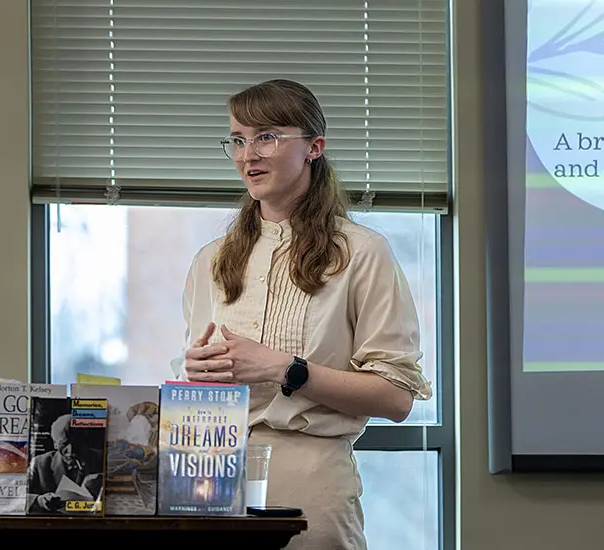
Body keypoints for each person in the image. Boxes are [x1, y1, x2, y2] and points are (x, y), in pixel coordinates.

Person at [179, 78, 432, 549]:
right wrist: (197, 373)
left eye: (266, 137)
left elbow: (396, 398)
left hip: (311, 482)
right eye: (237, 139)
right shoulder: (210, 261)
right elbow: (197, 389)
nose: (247, 154)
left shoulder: (362, 253)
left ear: (314, 147)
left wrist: (283, 368)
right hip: (211, 481)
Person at [26, 413, 104, 514]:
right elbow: (20, 497)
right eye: (64, 444)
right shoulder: (39, 463)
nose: (71, 450)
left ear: (85, 441)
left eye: (77, 442)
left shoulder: (102, 459)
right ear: (55, 444)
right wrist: (40, 500)